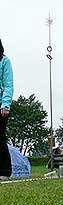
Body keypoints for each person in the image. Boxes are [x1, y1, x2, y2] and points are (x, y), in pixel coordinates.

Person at [0, 39, 13, 180]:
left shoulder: (4, 61)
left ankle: (4, 170)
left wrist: (5, 104)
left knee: (0, 139)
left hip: (1, 106)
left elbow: (8, 84)